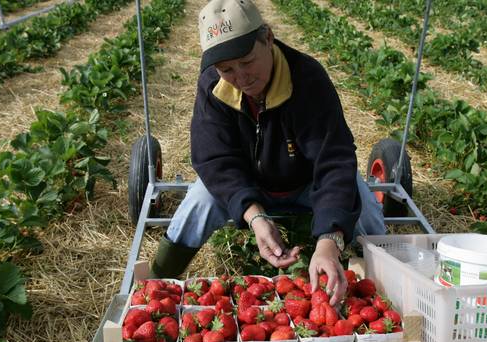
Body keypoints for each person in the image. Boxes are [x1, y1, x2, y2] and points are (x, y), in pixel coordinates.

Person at [146, 0, 385, 305]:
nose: (241, 77)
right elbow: (214, 160)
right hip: (251, 185)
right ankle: (155, 283)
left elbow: (333, 160)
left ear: (268, 38)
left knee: (360, 196)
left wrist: (329, 240)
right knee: (200, 198)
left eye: (247, 62)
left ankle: (385, 275)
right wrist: (254, 216)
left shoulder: (307, 79)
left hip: (305, 185)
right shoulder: (213, 87)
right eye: (227, 69)